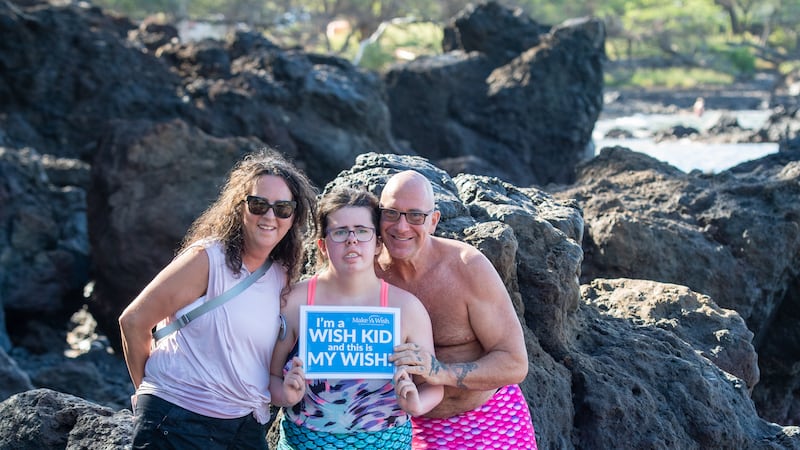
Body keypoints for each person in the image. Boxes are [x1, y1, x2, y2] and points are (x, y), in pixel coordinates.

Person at [118, 149, 317, 449]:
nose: (269, 216)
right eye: (258, 204)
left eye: (283, 209)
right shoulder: (207, 259)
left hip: (245, 424)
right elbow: (133, 322)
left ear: (294, 218)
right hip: (179, 420)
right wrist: (151, 393)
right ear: (240, 207)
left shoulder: (281, 274)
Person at [270, 187, 443, 449]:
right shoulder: (293, 302)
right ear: (323, 245)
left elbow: (434, 385)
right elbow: (268, 376)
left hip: (387, 443)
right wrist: (284, 394)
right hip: (304, 443)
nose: (352, 240)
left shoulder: (406, 308)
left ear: (377, 244)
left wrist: (417, 404)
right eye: (340, 232)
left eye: (362, 231)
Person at [378, 170, 538, 449]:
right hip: (402, 429)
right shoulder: (366, 273)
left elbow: (514, 362)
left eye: (415, 216)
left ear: (434, 221)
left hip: (488, 420)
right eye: (391, 213)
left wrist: (439, 371)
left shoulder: (467, 267)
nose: (401, 227)